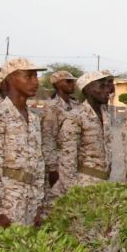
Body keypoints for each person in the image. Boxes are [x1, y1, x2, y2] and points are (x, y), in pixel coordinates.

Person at [0, 58, 48, 227]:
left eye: (36, 76)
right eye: (29, 76)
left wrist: (39, 208)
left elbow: (38, 163)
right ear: (10, 79)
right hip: (7, 201)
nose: (36, 82)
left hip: (30, 200)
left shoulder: (34, 118)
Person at [59, 70, 114, 191]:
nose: (108, 90)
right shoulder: (75, 117)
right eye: (102, 86)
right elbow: (67, 161)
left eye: (107, 85)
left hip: (103, 183)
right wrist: (71, 192)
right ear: (88, 89)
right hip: (84, 184)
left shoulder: (105, 115)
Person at [40, 69, 77, 203]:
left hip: (73, 160)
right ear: (57, 84)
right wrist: (52, 168)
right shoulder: (51, 107)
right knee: (56, 201)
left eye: (73, 81)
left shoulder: (75, 105)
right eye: (68, 81)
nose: (72, 84)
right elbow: (48, 138)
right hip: (59, 161)